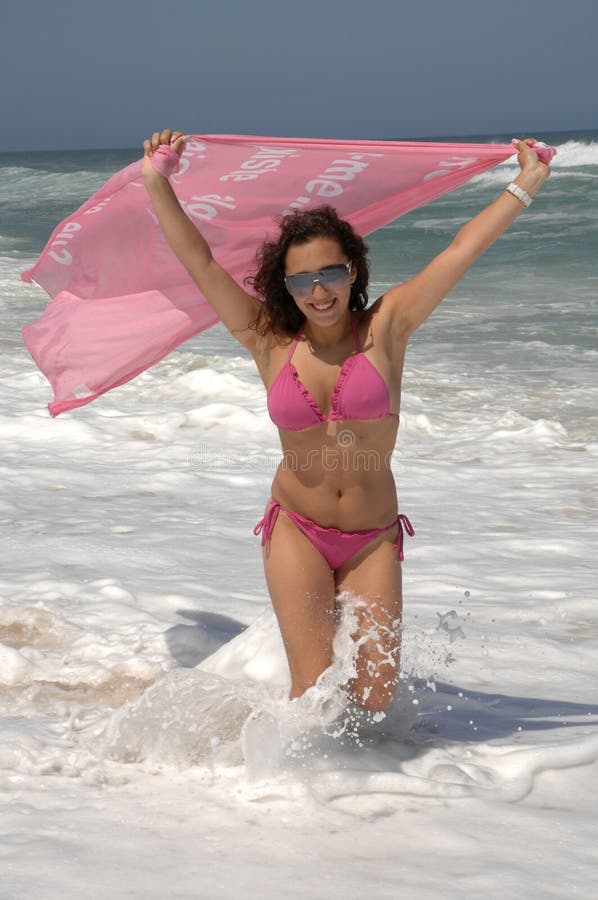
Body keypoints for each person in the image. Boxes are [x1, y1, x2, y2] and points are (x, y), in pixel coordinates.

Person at [142, 129, 550, 715]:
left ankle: (366, 796)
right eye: (301, 280)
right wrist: (158, 182)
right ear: (287, 287)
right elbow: (200, 262)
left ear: (352, 271)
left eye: (329, 273)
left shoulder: (389, 326)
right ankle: (289, 797)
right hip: (297, 528)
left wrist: (525, 185)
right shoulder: (268, 342)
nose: (318, 291)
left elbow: (458, 251)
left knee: (373, 704)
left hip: (372, 537)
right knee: (315, 696)